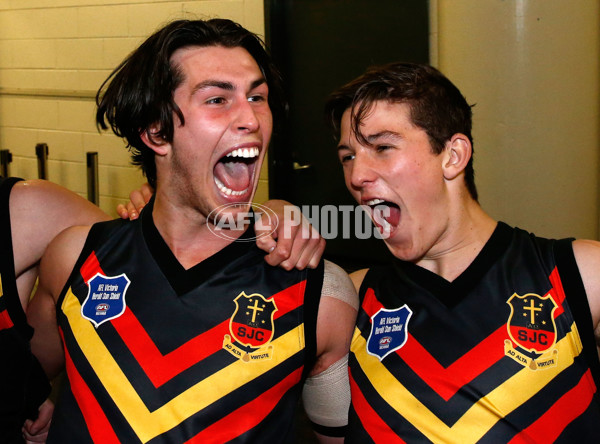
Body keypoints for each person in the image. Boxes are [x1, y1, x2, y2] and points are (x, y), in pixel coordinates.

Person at [28, 18, 356, 443]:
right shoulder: (74, 258)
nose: (251, 118)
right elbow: (21, 387)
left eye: (257, 96)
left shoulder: (322, 295)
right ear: (156, 131)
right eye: (218, 98)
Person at [324, 62, 600, 442]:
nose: (356, 176)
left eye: (383, 147)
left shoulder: (580, 275)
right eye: (348, 157)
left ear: (453, 156)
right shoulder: (350, 301)